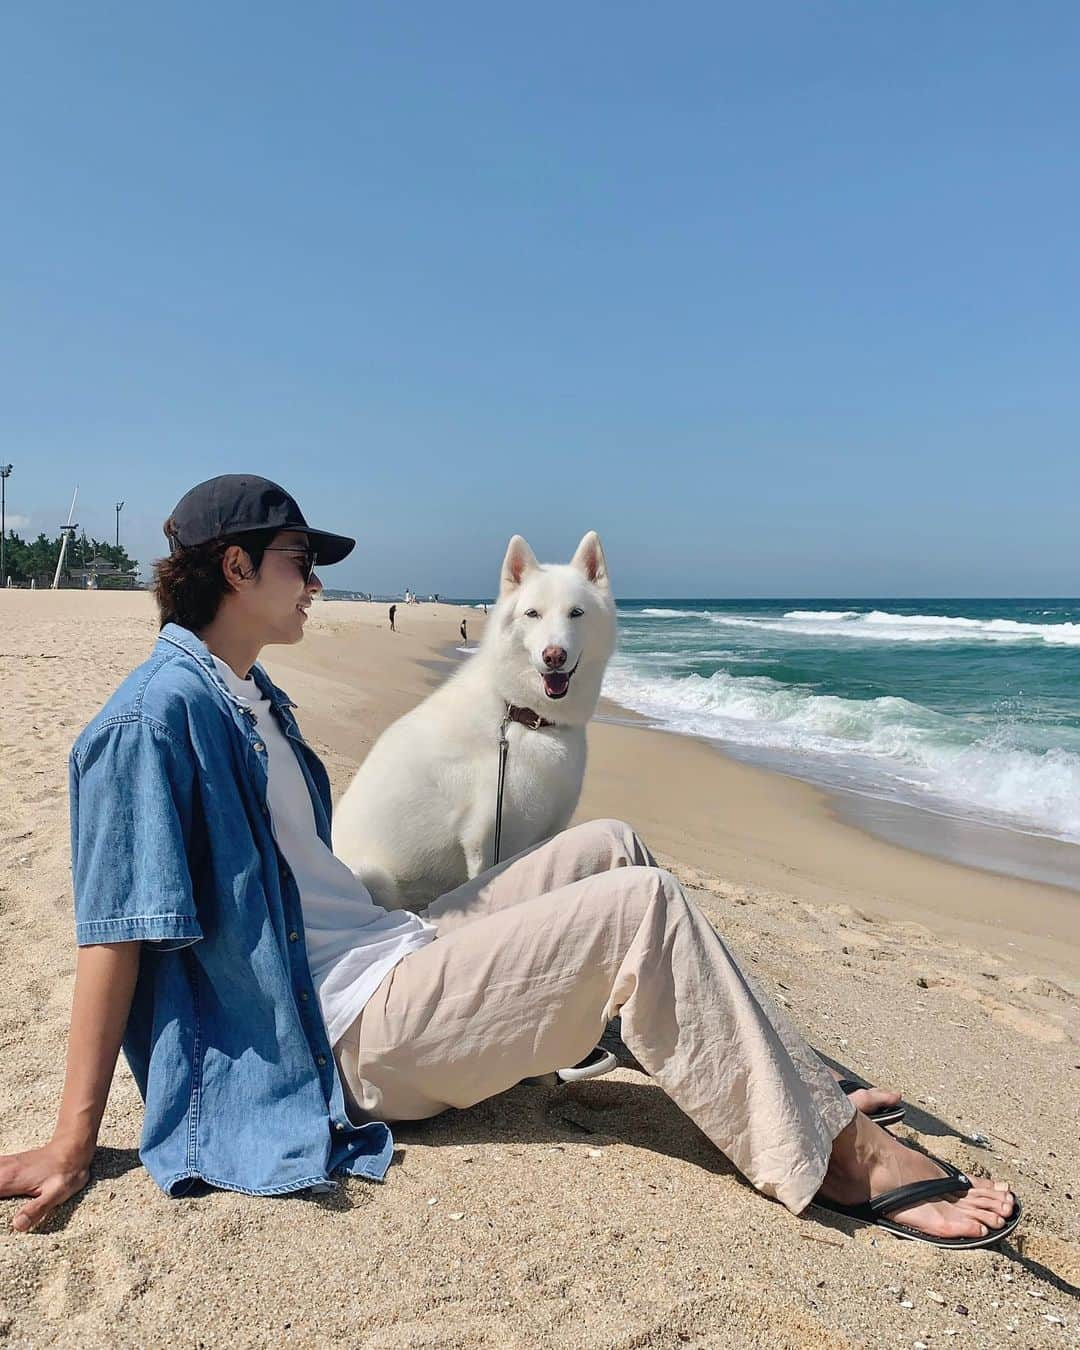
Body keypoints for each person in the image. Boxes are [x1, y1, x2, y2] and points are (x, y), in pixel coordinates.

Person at [0, 475, 1019, 1248]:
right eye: (301, 563)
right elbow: (117, 927)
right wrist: (72, 1138)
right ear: (236, 569)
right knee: (640, 907)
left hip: (389, 955)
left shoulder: (249, 697)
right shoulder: (152, 720)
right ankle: (838, 1157)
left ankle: (790, 1080)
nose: (318, 584)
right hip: (347, 1035)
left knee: (610, 848)